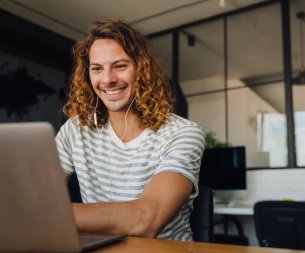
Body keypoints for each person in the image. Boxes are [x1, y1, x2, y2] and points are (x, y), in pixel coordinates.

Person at [55, 17, 205, 241]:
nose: (107, 80)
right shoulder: (75, 129)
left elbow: (146, 220)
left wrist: (45, 215)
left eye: (120, 66)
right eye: (97, 68)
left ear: (143, 70)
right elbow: (37, 195)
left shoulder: (183, 133)